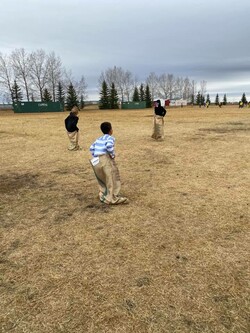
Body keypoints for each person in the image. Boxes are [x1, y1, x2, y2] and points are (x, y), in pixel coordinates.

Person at [89, 122, 128, 205]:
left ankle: (103, 193)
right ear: (111, 130)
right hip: (104, 159)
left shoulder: (98, 139)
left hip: (96, 160)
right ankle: (111, 197)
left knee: (102, 178)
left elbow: (91, 148)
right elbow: (109, 146)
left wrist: (95, 155)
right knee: (111, 177)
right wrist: (112, 154)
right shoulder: (110, 138)